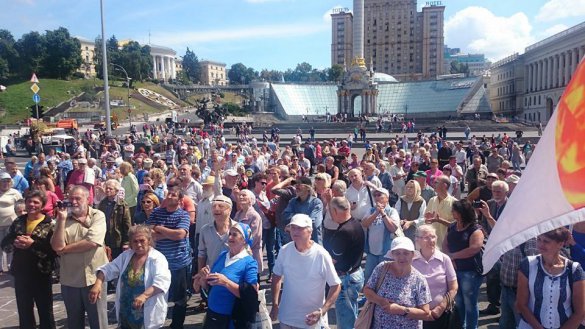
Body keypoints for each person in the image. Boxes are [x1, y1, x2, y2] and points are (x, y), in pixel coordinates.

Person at [89, 225, 172, 329]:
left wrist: (144, 296)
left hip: (146, 313)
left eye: (142, 240)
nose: (139, 244)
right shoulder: (126, 255)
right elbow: (109, 268)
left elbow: (162, 282)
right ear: (131, 243)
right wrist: (98, 284)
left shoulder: (158, 258)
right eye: (135, 241)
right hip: (126, 312)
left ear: (149, 240)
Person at [50, 185, 109, 329]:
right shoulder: (62, 219)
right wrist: (62, 219)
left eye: (78, 198)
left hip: (94, 278)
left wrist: (65, 249)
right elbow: (56, 246)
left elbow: (92, 242)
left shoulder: (97, 215)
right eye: (71, 198)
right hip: (70, 279)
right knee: (74, 321)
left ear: (88, 199)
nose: (74, 202)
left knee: (98, 321)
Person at [270, 214, 341, 329]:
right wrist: (275, 304)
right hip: (287, 318)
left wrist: (322, 311)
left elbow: (336, 285)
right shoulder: (284, 251)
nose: (295, 231)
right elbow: (276, 276)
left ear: (310, 231)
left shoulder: (321, 254)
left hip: (312, 321)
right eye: (293, 228)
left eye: (300, 228)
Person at [1, 190, 57, 329]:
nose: (32, 205)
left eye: (36, 202)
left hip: (41, 273)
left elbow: (54, 251)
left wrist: (32, 245)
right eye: (29, 202)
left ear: (43, 205)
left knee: (45, 310)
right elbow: (5, 243)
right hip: (21, 273)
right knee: (24, 310)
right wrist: (15, 242)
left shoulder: (50, 224)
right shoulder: (19, 221)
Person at [516, 227, 585, 329]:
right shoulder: (527, 264)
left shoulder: (574, 269)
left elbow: (580, 312)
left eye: (546, 241)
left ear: (560, 244)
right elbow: (521, 304)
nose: (541, 244)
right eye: (539, 239)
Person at [193, 223, 259, 329]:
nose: (230, 237)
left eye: (235, 235)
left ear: (244, 240)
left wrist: (226, 282)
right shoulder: (223, 255)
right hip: (212, 314)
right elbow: (209, 286)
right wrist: (204, 278)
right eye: (230, 234)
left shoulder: (249, 262)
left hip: (231, 319)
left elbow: (251, 294)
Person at [146, 186, 192, 329]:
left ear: (179, 200)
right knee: (158, 294)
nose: (169, 196)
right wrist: (170, 233)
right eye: (168, 194)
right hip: (159, 263)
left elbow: (180, 235)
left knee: (179, 298)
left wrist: (159, 228)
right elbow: (148, 232)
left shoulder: (183, 215)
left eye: (173, 195)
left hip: (178, 262)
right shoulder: (157, 212)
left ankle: (177, 325)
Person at [363, 236, 433, 329]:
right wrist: (381, 301)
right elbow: (367, 290)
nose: (401, 257)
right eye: (397, 253)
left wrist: (401, 310)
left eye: (406, 253)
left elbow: (425, 313)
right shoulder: (382, 268)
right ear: (392, 255)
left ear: (412, 255)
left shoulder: (419, 279)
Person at [442, 200, 484, 329]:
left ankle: (472, 327)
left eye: (454, 210)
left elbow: (474, 248)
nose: (452, 212)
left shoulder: (475, 229)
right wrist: (450, 259)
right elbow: (445, 244)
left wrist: (453, 256)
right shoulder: (453, 226)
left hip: (470, 271)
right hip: (454, 269)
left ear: (461, 213)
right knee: (458, 301)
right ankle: (461, 325)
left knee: (470, 302)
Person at [324, 197, 365, 329]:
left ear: (335, 211)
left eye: (330, 210)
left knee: (345, 321)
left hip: (346, 280)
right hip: (356, 274)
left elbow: (332, 261)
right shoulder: (356, 224)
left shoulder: (343, 232)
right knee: (352, 314)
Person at [412, 225, 458, 329]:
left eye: (433, 236)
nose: (431, 240)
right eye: (426, 237)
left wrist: (440, 307)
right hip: (416, 313)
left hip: (440, 314)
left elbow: (453, 287)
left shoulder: (444, 259)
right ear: (418, 240)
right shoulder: (412, 260)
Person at [362, 187, 401, 282]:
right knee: (368, 276)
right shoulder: (371, 210)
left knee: (384, 277)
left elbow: (393, 228)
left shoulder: (392, 211)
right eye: (375, 195)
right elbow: (364, 224)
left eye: (379, 195)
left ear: (387, 198)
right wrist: (376, 213)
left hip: (385, 252)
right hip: (372, 252)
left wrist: (383, 213)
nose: (376, 197)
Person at [282, 176, 324, 244]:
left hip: (312, 244)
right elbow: (285, 216)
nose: (296, 187)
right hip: (295, 244)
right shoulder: (292, 202)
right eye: (296, 185)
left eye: (299, 184)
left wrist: (294, 222)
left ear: (308, 188)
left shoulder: (316, 203)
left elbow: (314, 223)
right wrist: (306, 218)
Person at [98, 179, 132, 259]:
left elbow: (127, 224)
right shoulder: (102, 203)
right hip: (104, 239)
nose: (107, 190)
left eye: (110, 189)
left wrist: (126, 242)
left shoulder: (122, 205)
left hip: (117, 240)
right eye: (106, 188)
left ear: (116, 191)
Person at [234, 189, 263, 275]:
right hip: (238, 253)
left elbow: (254, 237)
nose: (241, 197)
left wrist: (241, 248)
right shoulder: (238, 214)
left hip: (251, 254)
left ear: (251, 199)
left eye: (244, 195)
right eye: (240, 195)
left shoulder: (255, 216)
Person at [0, 172, 23, 273]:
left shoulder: (15, 193)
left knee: (11, 246)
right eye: (3, 181)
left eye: (8, 181)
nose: (5, 183)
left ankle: (11, 266)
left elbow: (21, 205)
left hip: (11, 224)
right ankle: (0, 268)